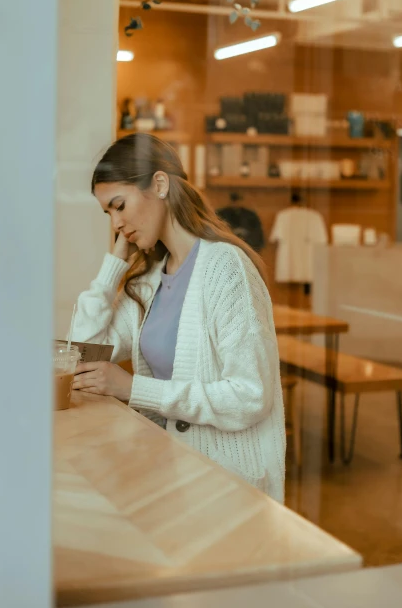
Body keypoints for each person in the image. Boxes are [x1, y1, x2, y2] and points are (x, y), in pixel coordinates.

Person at [72, 133, 286, 502]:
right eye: (108, 213)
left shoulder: (226, 268)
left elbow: (251, 397)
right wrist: (114, 265)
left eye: (119, 205)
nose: (116, 223)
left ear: (159, 184)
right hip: (170, 472)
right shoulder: (149, 280)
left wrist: (132, 388)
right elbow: (85, 353)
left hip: (228, 485)